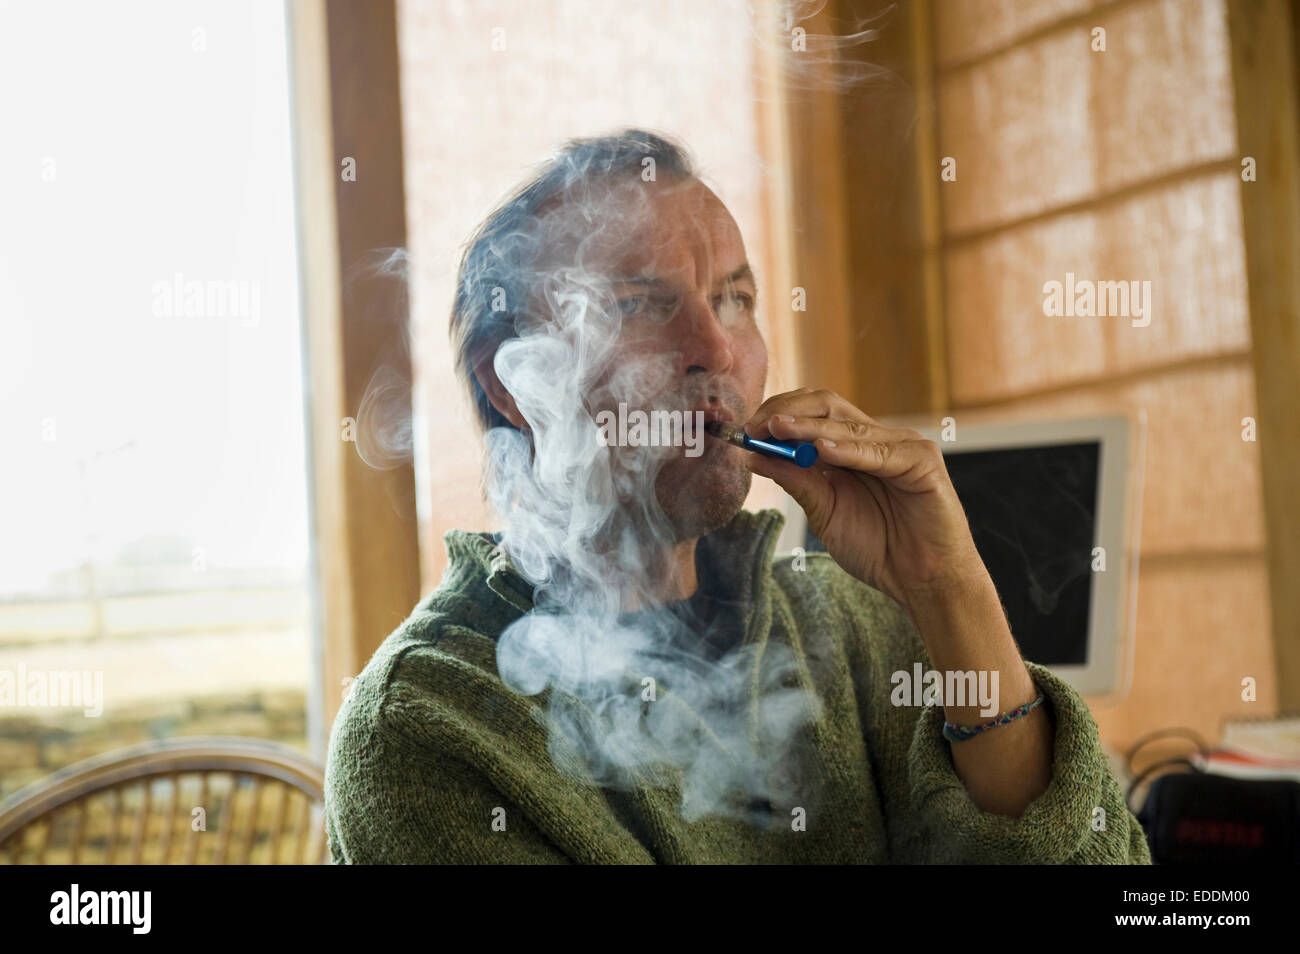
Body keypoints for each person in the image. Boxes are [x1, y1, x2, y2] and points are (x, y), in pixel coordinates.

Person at [324, 129, 1151, 864]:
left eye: (735, 299)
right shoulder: (426, 724)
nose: (716, 346)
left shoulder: (853, 623)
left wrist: (947, 586)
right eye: (640, 306)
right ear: (511, 387)